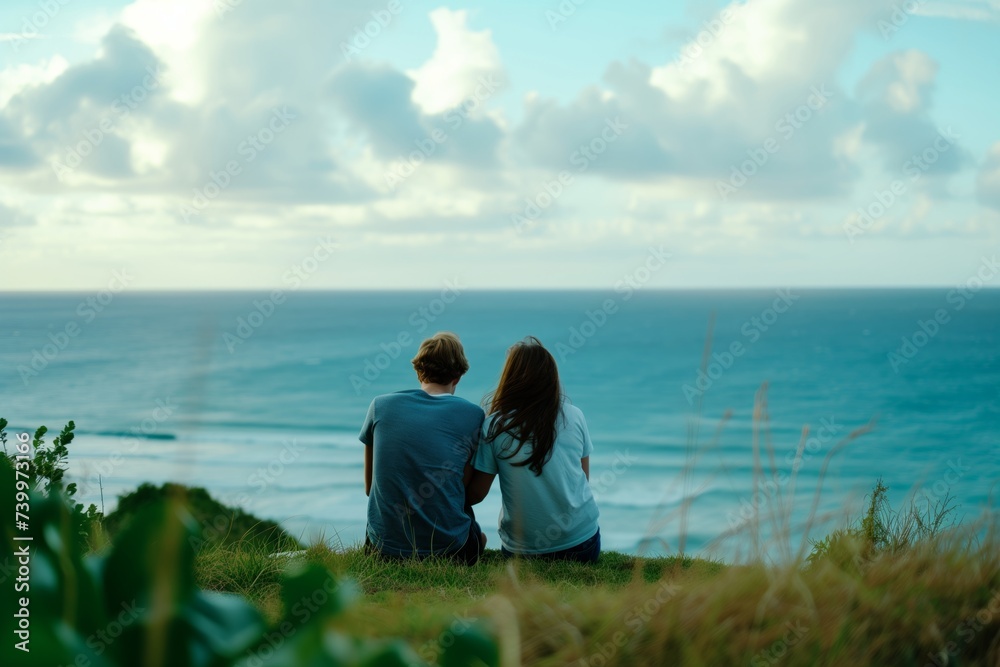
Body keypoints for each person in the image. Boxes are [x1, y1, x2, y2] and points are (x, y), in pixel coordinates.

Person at [467, 336, 601, 563]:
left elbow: (477, 494)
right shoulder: (574, 415)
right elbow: (582, 480)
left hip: (524, 550)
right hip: (582, 543)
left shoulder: (496, 425)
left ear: (510, 378)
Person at [360, 331, 486, 564]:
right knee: (477, 532)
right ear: (457, 376)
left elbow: (370, 488)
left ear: (418, 371)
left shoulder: (380, 406)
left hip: (382, 549)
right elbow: (464, 493)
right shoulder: (474, 415)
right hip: (450, 552)